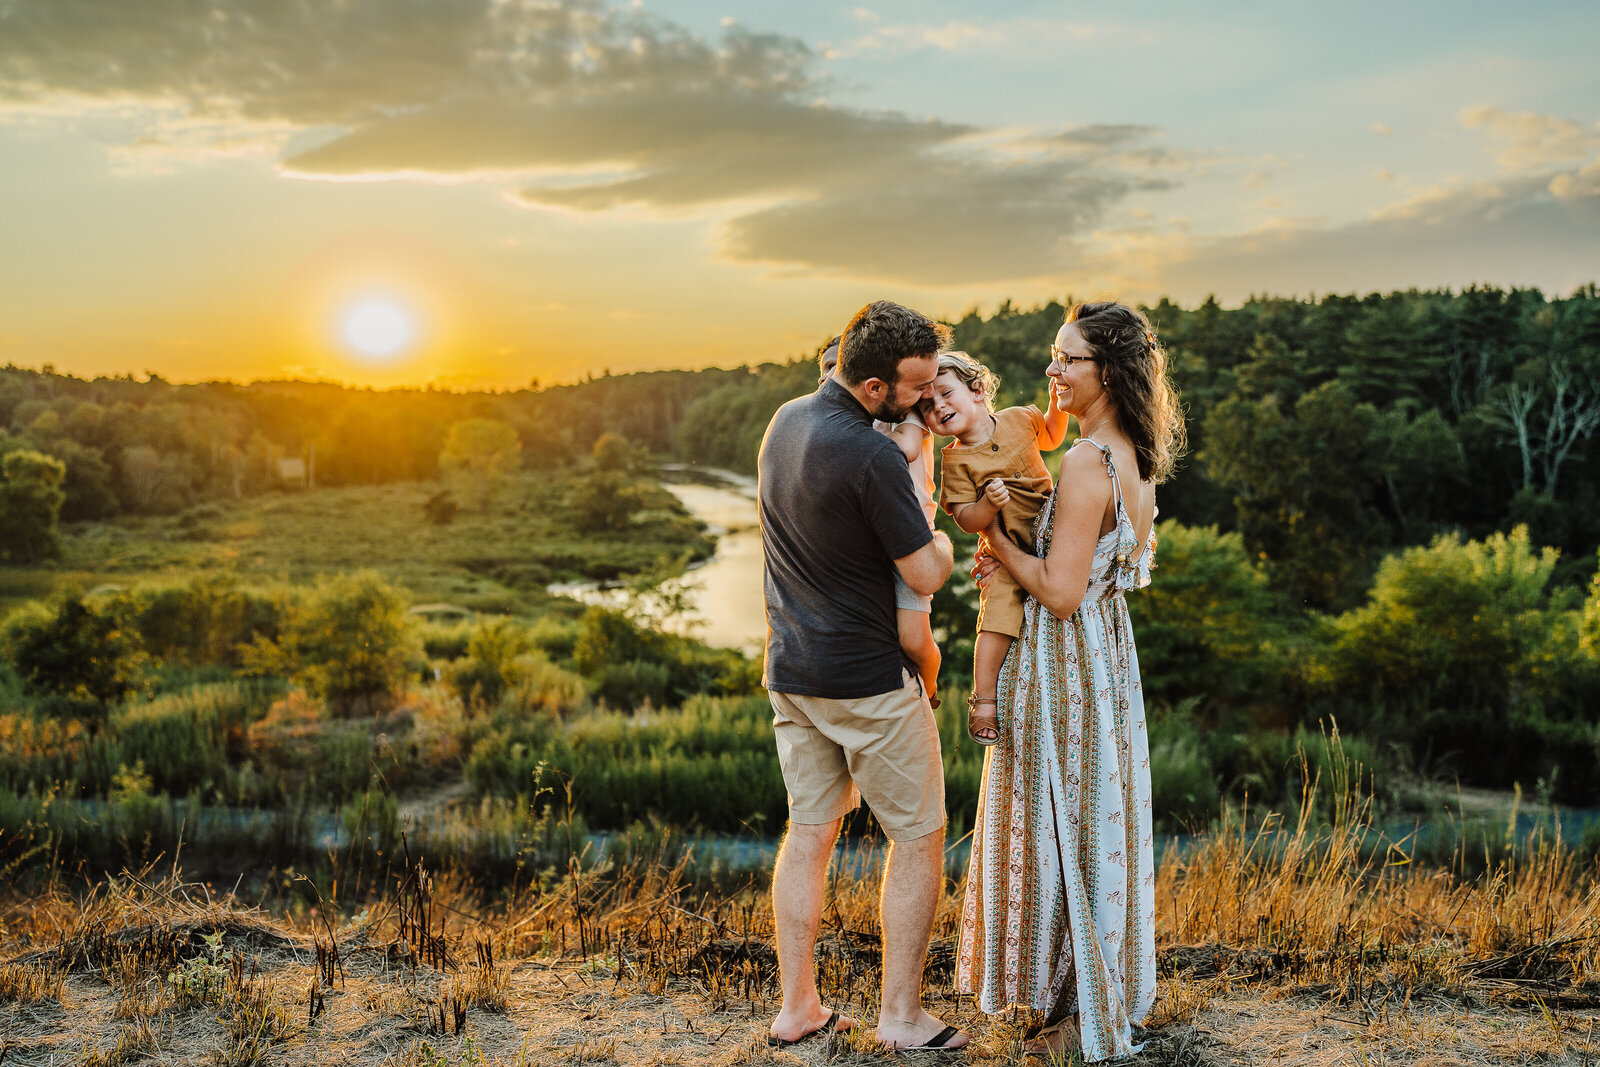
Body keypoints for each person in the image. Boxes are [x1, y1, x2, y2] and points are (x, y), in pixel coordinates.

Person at [955, 301, 1185, 1062]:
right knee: (1090, 817)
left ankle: (1076, 1006)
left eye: (1069, 358)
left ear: (1109, 370)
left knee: (1059, 821)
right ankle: (1078, 991)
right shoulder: (1132, 454)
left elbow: (1058, 589)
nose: (1052, 369)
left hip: (1068, 662)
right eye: (1054, 355)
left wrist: (994, 541)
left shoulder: (1089, 460)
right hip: (1107, 658)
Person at [760, 300, 967, 1051]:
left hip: (791, 671)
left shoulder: (784, 421)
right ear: (875, 386)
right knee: (917, 835)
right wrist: (940, 534)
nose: (923, 397)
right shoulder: (875, 456)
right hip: (869, 681)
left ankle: (797, 1009)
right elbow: (924, 571)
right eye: (914, 386)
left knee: (809, 832)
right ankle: (903, 1016)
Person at [922, 351, 1068, 745]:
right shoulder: (955, 461)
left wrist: (1056, 404)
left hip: (1057, 534)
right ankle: (984, 700)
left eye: (946, 394)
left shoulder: (1019, 419)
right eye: (928, 406)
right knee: (997, 617)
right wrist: (988, 504)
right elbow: (967, 520)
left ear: (978, 390)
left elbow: (1053, 436)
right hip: (1006, 552)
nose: (939, 406)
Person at [818, 335, 942, 706]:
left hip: (913, 534)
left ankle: (931, 684)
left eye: (838, 366)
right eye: (825, 368)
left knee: (914, 636)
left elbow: (902, 451)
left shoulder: (905, 417)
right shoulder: (854, 422)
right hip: (876, 541)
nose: (831, 375)